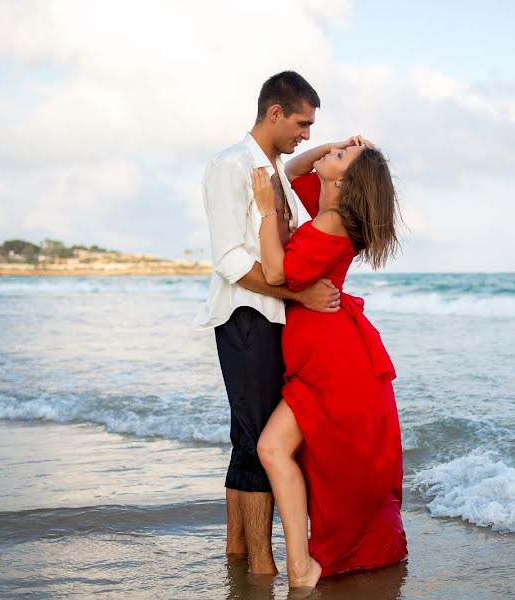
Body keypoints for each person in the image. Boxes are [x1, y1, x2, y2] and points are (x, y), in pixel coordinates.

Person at [192, 71, 342, 575]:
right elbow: (230, 260)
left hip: (272, 318)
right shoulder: (230, 166)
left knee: (246, 436)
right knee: (260, 441)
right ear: (274, 113)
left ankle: (238, 551)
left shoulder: (272, 169)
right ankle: (262, 568)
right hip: (246, 317)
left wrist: (336, 147)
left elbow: (299, 175)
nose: (307, 134)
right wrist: (297, 291)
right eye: (302, 123)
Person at [253, 137, 408, 587]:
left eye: (338, 158)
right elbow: (296, 173)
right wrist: (338, 145)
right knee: (278, 450)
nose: (328, 156)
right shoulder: (330, 210)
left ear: (343, 181)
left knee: (272, 448)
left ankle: (303, 569)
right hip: (327, 354)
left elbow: (279, 272)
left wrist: (266, 211)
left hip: (330, 362)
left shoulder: (333, 221)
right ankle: (302, 566)